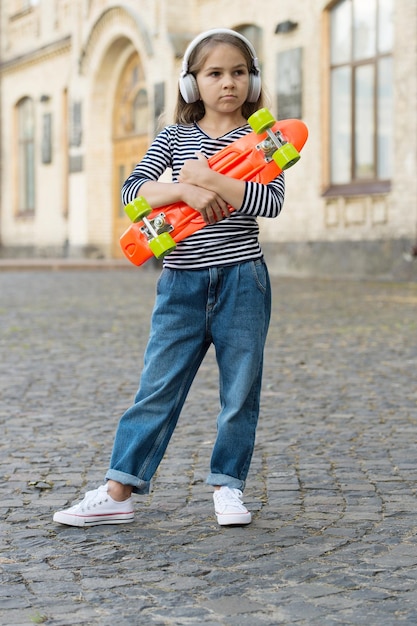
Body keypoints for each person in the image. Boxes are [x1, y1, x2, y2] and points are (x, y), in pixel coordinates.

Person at [53, 28, 285, 528]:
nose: (229, 83)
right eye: (215, 73)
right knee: (156, 388)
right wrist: (188, 188)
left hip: (244, 281)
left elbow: (271, 202)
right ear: (191, 84)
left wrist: (211, 179)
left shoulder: (265, 139)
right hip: (180, 283)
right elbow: (133, 193)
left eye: (239, 72)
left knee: (240, 391)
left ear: (254, 79)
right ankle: (118, 491)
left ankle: (228, 487)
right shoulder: (174, 139)